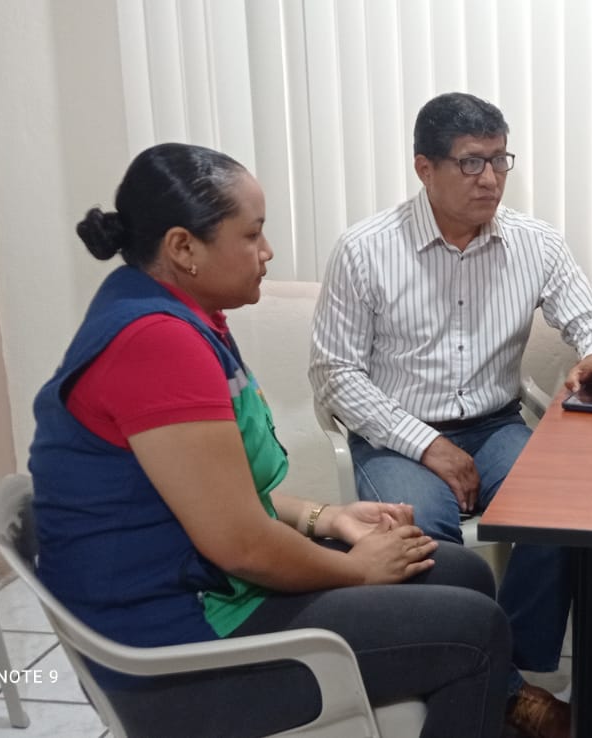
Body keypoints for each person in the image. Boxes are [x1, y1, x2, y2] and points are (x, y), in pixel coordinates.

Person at [29, 143, 511, 738]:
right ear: (183, 248)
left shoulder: (171, 311)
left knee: (459, 571)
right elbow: (241, 546)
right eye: (252, 234)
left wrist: (328, 518)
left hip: (208, 592)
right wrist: (357, 570)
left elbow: (214, 489)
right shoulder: (157, 343)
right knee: (478, 631)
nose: (268, 251)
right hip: (177, 656)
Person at [310, 92, 592, 738]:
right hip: (396, 437)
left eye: (499, 159)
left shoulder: (534, 242)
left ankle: (501, 670)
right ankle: (505, 693)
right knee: (422, 532)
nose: (490, 178)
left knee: (563, 504)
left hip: (495, 425)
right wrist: (426, 444)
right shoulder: (365, 248)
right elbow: (335, 374)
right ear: (424, 168)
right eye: (470, 162)